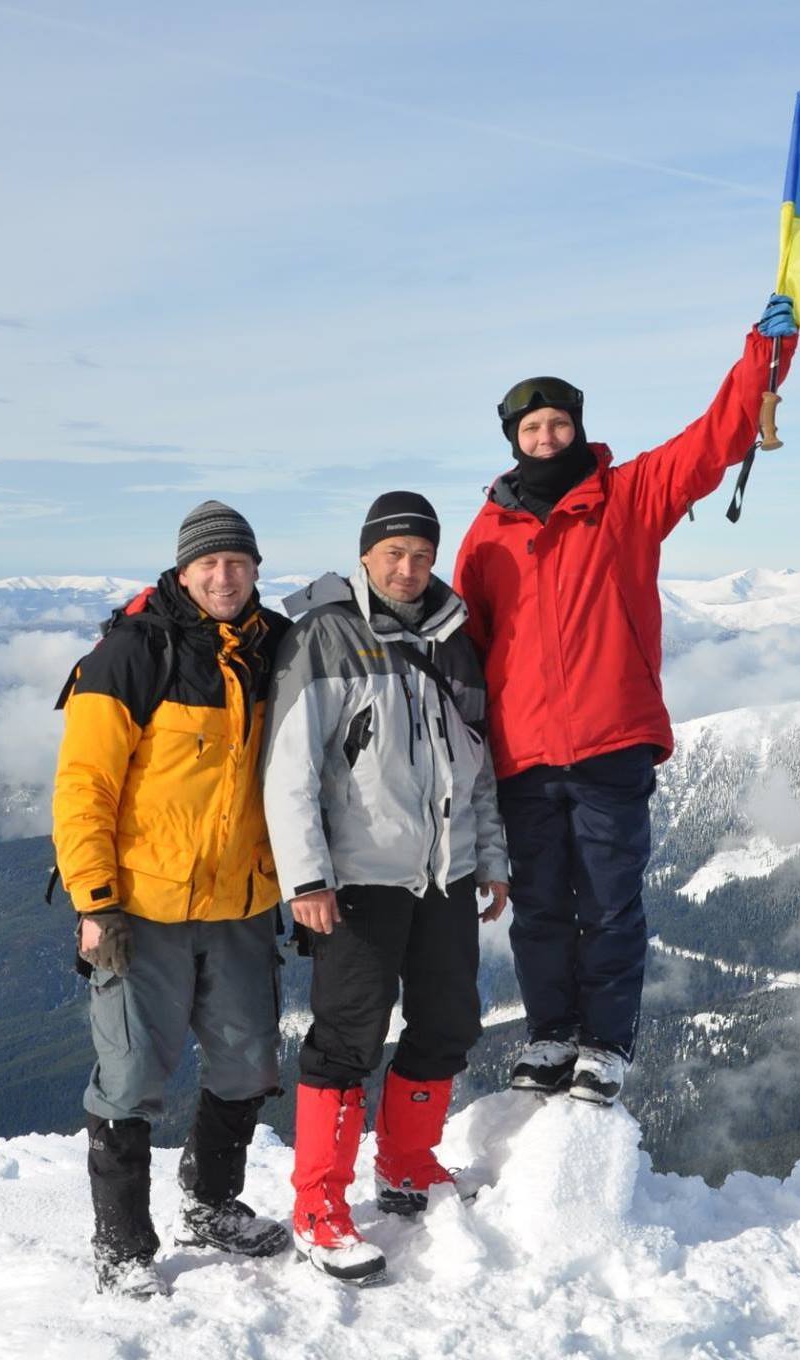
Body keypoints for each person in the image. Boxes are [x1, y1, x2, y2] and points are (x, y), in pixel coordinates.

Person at [453, 296, 800, 1105]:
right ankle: (549, 1036)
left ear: (577, 428)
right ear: (513, 441)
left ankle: (603, 1045)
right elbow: (465, 642)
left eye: (558, 426)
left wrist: (765, 354)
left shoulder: (629, 496)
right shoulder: (488, 532)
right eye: (531, 430)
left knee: (610, 905)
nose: (546, 439)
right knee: (540, 910)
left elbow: (715, 440)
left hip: (612, 742)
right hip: (525, 753)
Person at [262, 491, 509, 1286]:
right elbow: (288, 769)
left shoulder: (454, 640)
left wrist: (490, 858)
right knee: (346, 1040)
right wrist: (306, 876)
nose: (407, 568)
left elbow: (479, 771)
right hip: (358, 880)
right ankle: (317, 1206)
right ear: (365, 554)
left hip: (445, 876)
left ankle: (406, 1165)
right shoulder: (325, 636)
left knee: (447, 1021)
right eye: (393, 552)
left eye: (421, 554)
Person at [52, 501, 292, 1299]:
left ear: (257, 570)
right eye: (209, 564)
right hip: (142, 913)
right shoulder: (132, 653)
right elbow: (84, 784)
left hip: (241, 907)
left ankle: (212, 1202)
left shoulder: (273, 649)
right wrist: (94, 899)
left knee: (247, 1064)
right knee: (127, 1080)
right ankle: (122, 1247)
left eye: (239, 563)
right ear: (184, 571)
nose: (225, 577)